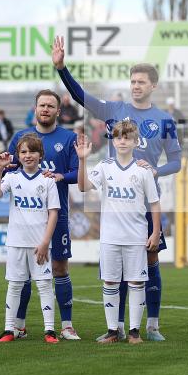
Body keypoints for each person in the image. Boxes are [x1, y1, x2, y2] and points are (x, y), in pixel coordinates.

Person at [53, 36, 180, 341]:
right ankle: (118, 327)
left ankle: (152, 325)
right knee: (117, 267)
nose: (136, 85)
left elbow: (176, 161)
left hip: (145, 202)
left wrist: (155, 169)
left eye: (141, 82)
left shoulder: (164, 120)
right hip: (115, 204)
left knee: (150, 262)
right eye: (133, 81)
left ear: (153, 86)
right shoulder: (113, 110)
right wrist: (62, 69)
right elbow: (81, 96)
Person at [78, 122, 161, 344]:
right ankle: (113, 331)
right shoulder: (104, 166)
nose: (122, 141)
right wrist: (83, 159)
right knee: (111, 282)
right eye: (118, 137)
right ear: (113, 141)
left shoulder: (143, 170)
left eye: (127, 137)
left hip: (136, 236)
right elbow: (84, 187)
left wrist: (155, 233)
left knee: (136, 283)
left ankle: (134, 331)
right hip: (110, 237)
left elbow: (154, 203)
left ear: (135, 142)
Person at [6, 90, 80, 340]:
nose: (45, 109)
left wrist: (61, 176)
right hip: (26, 219)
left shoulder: (68, 138)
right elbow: (9, 168)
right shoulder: (21, 137)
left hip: (55, 217)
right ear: (35, 108)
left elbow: (77, 173)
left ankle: (66, 325)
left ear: (58, 110)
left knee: (59, 267)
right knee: (23, 273)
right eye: (41, 105)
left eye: (50, 106)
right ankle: (19, 324)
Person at [0, 134, 60, 344]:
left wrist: (45, 242)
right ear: (18, 155)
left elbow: (54, 213)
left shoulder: (47, 181)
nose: (28, 155)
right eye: (23, 152)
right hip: (16, 242)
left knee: (44, 285)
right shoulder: (12, 178)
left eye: (32, 151)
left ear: (40, 155)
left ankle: (50, 330)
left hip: (39, 244)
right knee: (14, 285)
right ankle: (8, 330)